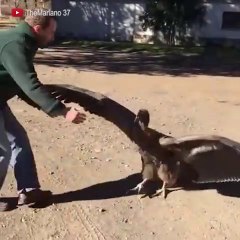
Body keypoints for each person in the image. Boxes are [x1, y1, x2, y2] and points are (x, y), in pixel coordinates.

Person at [0, 13, 86, 211]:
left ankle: (29, 191)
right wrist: (63, 111)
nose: (53, 37)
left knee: (18, 139)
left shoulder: (24, 43)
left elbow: (21, 86)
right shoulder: (15, 44)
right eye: (51, 32)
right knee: (3, 150)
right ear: (38, 29)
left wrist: (51, 107)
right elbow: (30, 85)